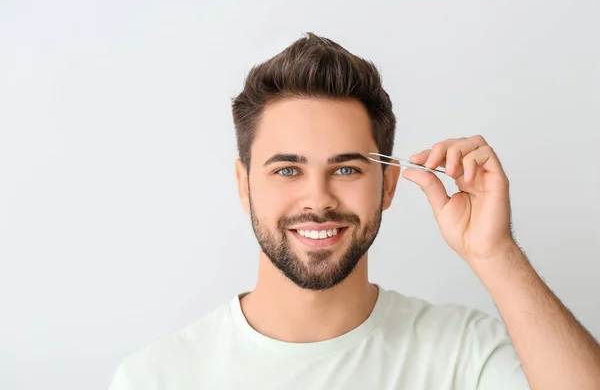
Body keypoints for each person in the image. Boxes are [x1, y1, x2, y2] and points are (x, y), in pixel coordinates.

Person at [108, 33, 600, 390]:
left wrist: (495, 253)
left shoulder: (464, 354)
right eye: (286, 171)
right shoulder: (155, 378)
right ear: (244, 185)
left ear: (387, 184)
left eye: (346, 170)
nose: (318, 200)